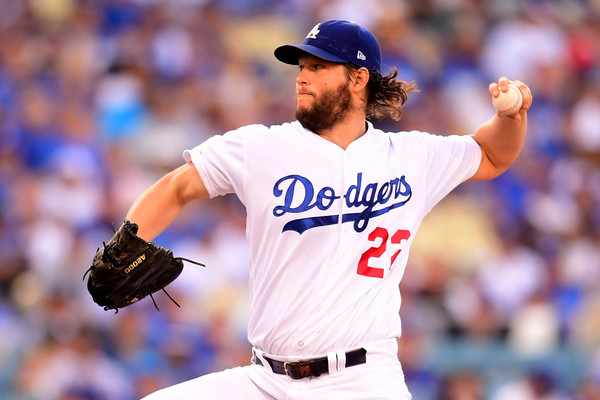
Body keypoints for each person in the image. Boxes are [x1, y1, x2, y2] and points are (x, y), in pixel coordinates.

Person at [131, 20, 532, 400]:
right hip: (266, 381)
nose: (301, 77)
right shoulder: (261, 149)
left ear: (358, 78)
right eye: (302, 66)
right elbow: (176, 186)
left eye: (318, 66)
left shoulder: (410, 157)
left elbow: (491, 155)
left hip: (362, 380)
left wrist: (509, 117)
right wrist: (126, 243)